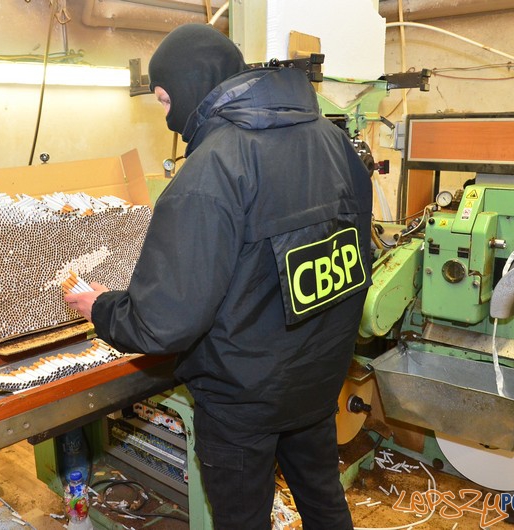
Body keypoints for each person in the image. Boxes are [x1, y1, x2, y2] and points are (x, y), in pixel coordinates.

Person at [65, 23, 372, 529]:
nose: (168, 116)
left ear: (192, 84)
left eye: (165, 99)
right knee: (323, 501)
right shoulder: (332, 141)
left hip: (242, 400)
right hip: (317, 379)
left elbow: (163, 324)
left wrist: (100, 307)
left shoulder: (212, 169)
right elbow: (353, 258)